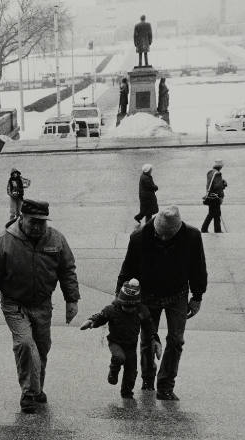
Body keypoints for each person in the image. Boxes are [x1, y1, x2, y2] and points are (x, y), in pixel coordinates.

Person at [0, 200, 80, 414]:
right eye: (33, 222)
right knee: (25, 345)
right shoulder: (3, 241)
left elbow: (67, 269)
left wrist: (72, 300)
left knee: (42, 348)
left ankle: (37, 388)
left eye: (42, 223)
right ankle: (28, 393)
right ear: (21, 217)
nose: (38, 227)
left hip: (43, 304)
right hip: (14, 304)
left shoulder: (56, 239)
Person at [117, 205, 207, 400]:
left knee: (176, 340)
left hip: (178, 294)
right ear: (155, 227)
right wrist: (120, 300)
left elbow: (198, 267)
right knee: (148, 340)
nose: (165, 238)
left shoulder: (191, 236)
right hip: (148, 295)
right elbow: (127, 270)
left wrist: (197, 296)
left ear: (178, 229)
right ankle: (148, 379)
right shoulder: (139, 237)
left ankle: (166, 385)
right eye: (161, 234)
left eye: (170, 235)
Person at [80, 279, 158, 399]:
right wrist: (91, 321)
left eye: (132, 306)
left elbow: (148, 325)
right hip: (115, 342)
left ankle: (127, 393)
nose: (129, 309)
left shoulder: (140, 311)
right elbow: (101, 317)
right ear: (120, 301)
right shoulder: (112, 309)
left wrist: (154, 338)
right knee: (119, 357)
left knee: (131, 371)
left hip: (131, 345)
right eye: (125, 306)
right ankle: (113, 370)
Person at [201, 160, 227, 233]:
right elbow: (217, 186)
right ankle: (212, 229)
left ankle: (211, 229)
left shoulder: (210, 173)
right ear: (220, 167)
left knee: (212, 213)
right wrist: (223, 185)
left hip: (210, 196)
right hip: (216, 197)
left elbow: (210, 185)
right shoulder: (218, 174)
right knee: (216, 214)